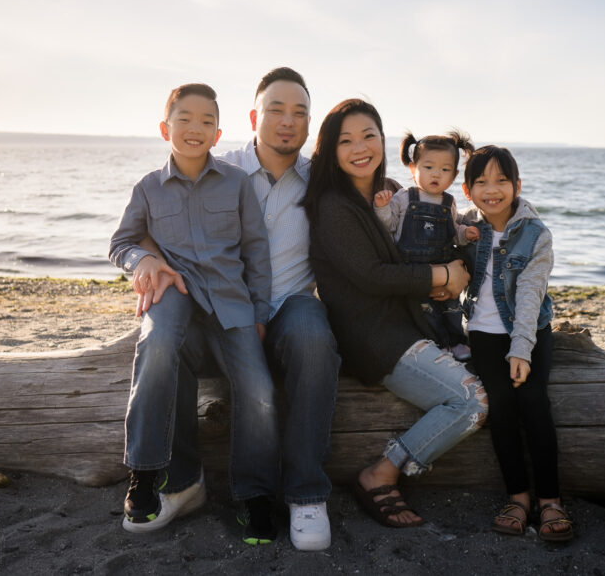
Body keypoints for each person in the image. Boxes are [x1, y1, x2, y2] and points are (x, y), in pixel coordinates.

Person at [132, 67, 341, 551]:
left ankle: (306, 493)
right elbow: (150, 220)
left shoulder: (320, 182)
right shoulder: (217, 168)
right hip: (218, 308)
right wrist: (145, 258)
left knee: (314, 338)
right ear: (253, 116)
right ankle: (182, 483)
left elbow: (373, 199)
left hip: (288, 303)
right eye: (276, 109)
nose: (288, 121)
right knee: (169, 341)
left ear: (310, 124)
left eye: (300, 112)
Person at [301, 98, 488, 528]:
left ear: (384, 140)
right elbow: (371, 276)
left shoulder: (393, 192)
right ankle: (379, 474)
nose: (360, 146)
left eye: (369, 135)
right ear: (331, 149)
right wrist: (441, 275)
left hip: (411, 321)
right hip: (372, 336)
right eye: (346, 140)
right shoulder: (333, 205)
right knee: (471, 402)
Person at [108, 82, 281, 545]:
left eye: (206, 121)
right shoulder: (147, 188)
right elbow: (120, 244)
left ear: (218, 133)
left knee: (260, 389)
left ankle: (256, 494)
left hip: (231, 301)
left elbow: (256, 253)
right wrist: (141, 261)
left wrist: (260, 314)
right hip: (176, 292)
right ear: (165, 127)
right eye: (185, 119)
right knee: (157, 345)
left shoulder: (237, 183)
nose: (195, 128)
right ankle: (146, 472)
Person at [459, 144, 574, 542]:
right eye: (481, 182)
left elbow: (530, 292)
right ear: (467, 189)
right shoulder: (465, 230)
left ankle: (550, 500)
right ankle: (518, 497)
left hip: (530, 331)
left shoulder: (536, 234)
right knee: (501, 405)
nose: (492, 189)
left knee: (533, 401)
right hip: (482, 333)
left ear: (518, 185)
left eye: (502, 180)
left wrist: (521, 348)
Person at [374, 131, 479, 361]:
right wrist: (382, 207)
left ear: (454, 175)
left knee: (451, 307)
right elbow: (390, 225)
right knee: (426, 312)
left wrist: (465, 234)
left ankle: (457, 342)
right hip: (413, 270)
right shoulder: (403, 197)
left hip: (442, 265)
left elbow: (452, 232)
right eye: (429, 167)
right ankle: (439, 345)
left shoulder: (449, 202)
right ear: (413, 169)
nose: (436, 175)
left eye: (444, 170)